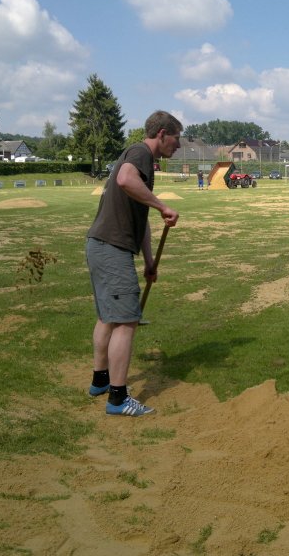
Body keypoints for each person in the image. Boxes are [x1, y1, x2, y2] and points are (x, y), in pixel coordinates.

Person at [85, 110, 181, 416]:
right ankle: (118, 398)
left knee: (108, 318)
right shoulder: (140, 153)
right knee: (126, 321)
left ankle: (100, 380)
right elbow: (126, 179)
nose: (178, 146)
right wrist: (163, 205)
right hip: (111, 248)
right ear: (162, 134)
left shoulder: (141, 160)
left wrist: (150, 261)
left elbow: (141, 220)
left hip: (101, 245)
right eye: (177, 139)